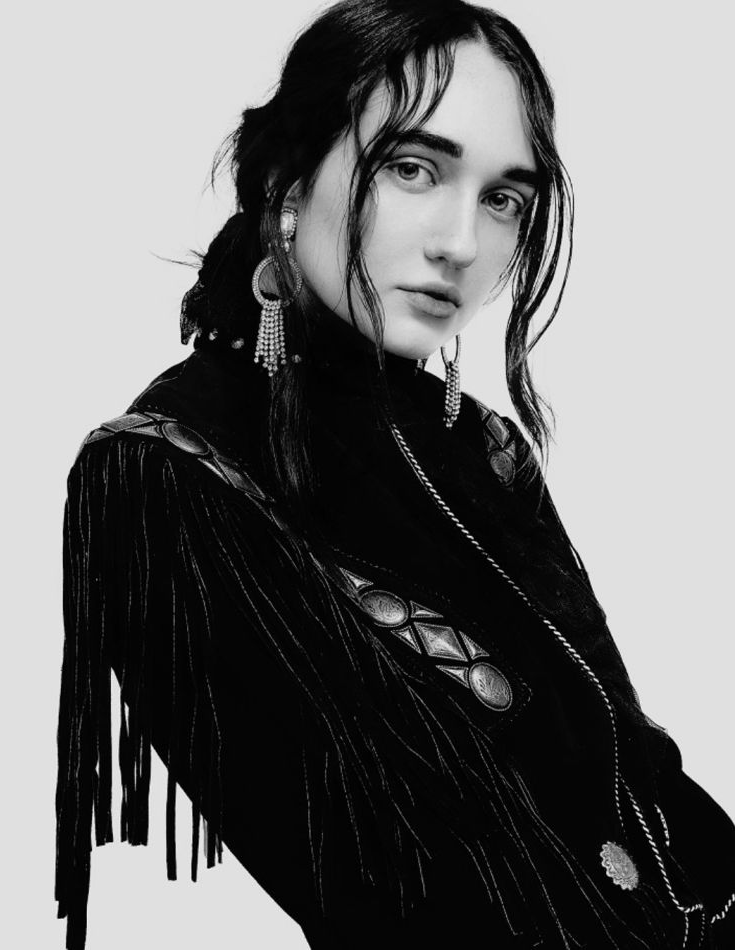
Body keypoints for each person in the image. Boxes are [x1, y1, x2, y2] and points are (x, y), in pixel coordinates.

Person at [54, 1, 735, 947]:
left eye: (504, 199)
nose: (462, 243)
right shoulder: (171, 472)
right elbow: (408, 894)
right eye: (413, 169)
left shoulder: (482, 448)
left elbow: (645, 785)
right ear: (290, 180)